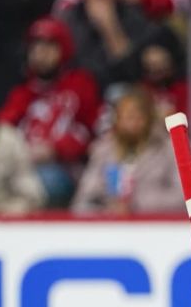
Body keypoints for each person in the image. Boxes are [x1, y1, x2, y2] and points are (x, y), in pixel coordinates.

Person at [0, 16, 100, 214]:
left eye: (49, 47)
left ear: (63, 50)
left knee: (44, 181)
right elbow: (4, 129)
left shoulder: (79, 85)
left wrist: (55, 148)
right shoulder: (23, 92)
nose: (40, 53)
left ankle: (14, 216)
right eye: (36, 47)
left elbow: (92, 133)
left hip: (64, 167)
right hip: (22, 165)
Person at [71, 86, 183, 214]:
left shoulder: (169, 148)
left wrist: (136, 203)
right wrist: (106, 208)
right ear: (117, 119)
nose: (133, 123)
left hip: (155, 226)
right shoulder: (103, 151)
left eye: (138, 116)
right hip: (109, 226)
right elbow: (83, 200)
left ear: (149, 119)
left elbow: (183, 197)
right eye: (127, 116)